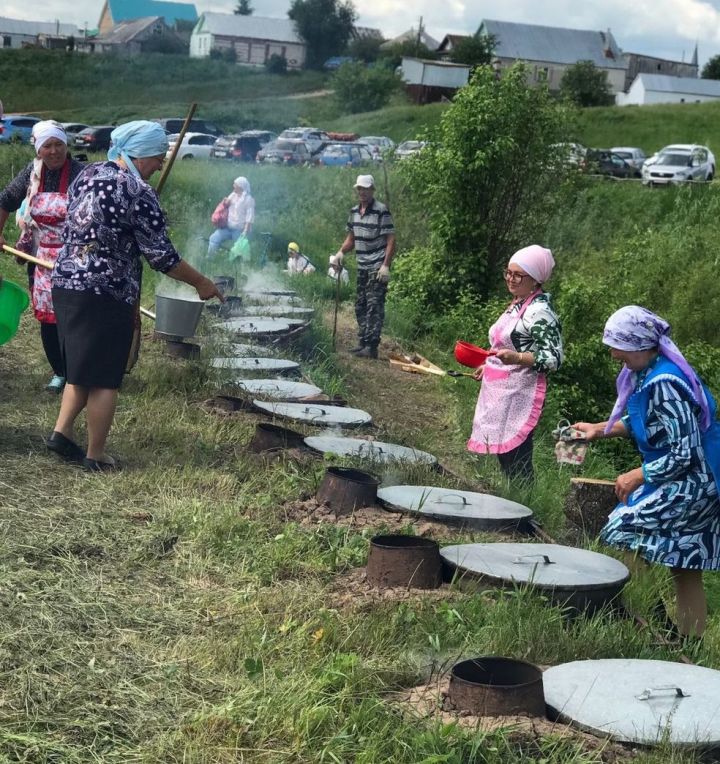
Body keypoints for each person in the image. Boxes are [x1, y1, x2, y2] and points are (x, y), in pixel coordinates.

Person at [49, 120, 223, 472]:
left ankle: (62, 433)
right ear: (141, 154)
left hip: (66, 282)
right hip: (105, 291)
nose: (161, 164)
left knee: (81, 367)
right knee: (105, 377)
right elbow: (162, 257)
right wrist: (202, 282)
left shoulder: (88, 174)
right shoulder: (137, 191)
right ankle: (96, 455)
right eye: (159, 157)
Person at [573, 306, 720, 638]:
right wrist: (598, 429)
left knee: (622, 528)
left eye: (617, 346)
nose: (613, 354)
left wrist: (638, 475)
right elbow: (648, 423)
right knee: (685, 560)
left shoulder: (665, 383)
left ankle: (655, 627)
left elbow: (685, 451)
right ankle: (686, 644)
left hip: (696, 480)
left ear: (638, 344)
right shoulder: (650, 371)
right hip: (694, 474)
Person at [0, 120, 84, 392]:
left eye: (59, 144)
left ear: (66, 145)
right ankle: (60, 371)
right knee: (48, 317)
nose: (54, 151)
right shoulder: (31, 174)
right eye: (47, 145)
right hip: (41, 259)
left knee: (75, 315)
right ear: (38, 149)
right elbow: (5, 201)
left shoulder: (82, 174)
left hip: (77, 256)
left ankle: (79, 370)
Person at [467, 245, 563, 481]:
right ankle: (512, 502)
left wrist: (517, 358)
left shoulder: (540, 311)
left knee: (517, 459)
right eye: (508, 272)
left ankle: (524, 509)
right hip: (501, 390)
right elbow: (505, 346)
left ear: (535, 279)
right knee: (505, 455)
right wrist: (487, 366)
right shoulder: (518, 303)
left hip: (521, 392)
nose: (510, 278)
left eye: (518, 275)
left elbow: (554, 357)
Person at [329, 174, 395, 359]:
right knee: (360, 305)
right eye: (359, 188)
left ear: (372, 190)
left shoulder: (382, 211)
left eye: (365, 188)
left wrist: (386, 266)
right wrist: (341, 253)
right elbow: (352, 237)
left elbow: (391, 240)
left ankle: (372, 346)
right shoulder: (354, 211)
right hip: (362, 265)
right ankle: (363, 341)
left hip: (377, 266)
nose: (362, 192)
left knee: (374, 306)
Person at [207, 176, 254, 259]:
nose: (233, 185)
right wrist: (225, 202)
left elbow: (249, 217)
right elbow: (224, 206)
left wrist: (245, 231)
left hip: (239, 230)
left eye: (235, 184)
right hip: (228, 228)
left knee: (240, 248)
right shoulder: (233, 195)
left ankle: (240, 266)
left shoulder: (248, 200)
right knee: (214, 238)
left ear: (240, 186)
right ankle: (210, 258)